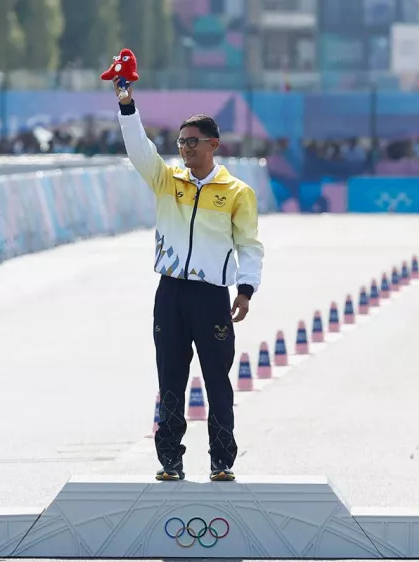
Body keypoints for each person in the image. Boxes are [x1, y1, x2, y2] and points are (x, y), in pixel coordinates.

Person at [113, 77, 265, 482]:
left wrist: (246, 290)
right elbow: (139, 150)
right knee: (170, 379)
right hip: (171, 293)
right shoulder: (167, 180)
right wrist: (127, 105)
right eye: (181, 141)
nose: (184, 148)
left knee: (217, 379)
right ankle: (170, 459)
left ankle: (221, 459)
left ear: (214, 144)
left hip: (212, 296)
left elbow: (249, 245)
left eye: (193, 141)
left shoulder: (237, 192)